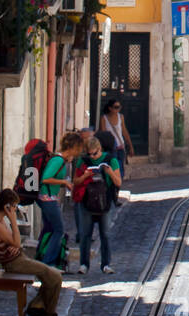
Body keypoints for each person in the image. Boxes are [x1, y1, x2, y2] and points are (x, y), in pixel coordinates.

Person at [0, 188, 62, 316]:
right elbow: (16, 242)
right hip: (14, 263)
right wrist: (14, 222)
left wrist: (16, 245)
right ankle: (48, 311)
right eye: (14, 207)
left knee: (52, 274)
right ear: (7, 207)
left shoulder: (0, 222)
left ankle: (37, 306)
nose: (15, 210)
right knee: (55, 276)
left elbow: (15, 243)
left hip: (18, 258)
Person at [73, 134, 121, 275]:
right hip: (86, 202)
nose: (92, 157)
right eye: (89, 154)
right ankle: (84, 264)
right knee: (85, 234)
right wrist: (85, 176)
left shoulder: (111, 160)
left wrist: (110, 172)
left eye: (94, 154)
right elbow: (75, 182)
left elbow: (118, 182)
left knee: (105, 234)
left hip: (104, 202)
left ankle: (105, 264)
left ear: (99, 149)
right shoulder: (83, 161)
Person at [37, 131, 83, 269]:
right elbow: (45, 178)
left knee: (49, 229)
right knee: (59, 230)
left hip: (49, 198)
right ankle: (48, 263)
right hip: (48, 199)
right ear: (72, 147)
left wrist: (64, 184)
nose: (79, 152)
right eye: (78, 148)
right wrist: (63, 181)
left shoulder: (62, 161)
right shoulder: (57, 160)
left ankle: (43, 259)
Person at [100, 98, 134, 175]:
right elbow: (103, 134)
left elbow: (124, 132)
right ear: (110, 108)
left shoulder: (121, 117)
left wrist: (131, 146)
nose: (118, 109)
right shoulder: (104, 118)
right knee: (113, 167)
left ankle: (119, 182)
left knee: (121, 167)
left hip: (120, 146)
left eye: (119, 107)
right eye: (116, 107)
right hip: (110, 147)